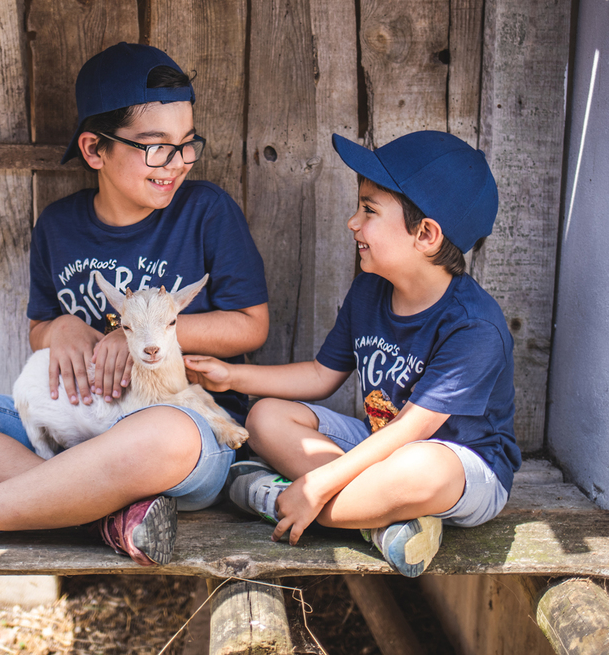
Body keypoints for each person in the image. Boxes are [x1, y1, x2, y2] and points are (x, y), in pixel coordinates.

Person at [0, 43, 269, 565]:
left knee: (159, 436)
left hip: (183, 429)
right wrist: (58, 327)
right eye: (155, 146)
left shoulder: (205, 211)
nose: (174, 164)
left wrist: (129, 338)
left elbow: (250, 326)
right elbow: (40, 326)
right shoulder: (59, 227)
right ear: (94, 150)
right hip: (81, 427)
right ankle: (100, 516)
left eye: (186, 144)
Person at [184, 130, 520, 577]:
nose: (352, 222)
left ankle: (279, 496)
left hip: (460, 466)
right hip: (378, 447)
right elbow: (321, 375)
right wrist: (230, 377)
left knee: (424, 468)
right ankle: (378, 524)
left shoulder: (474, 326)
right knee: (265, 417)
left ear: (425, 234)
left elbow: (409, 432)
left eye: (369, 210)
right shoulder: (371, 287)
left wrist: (320, 482)